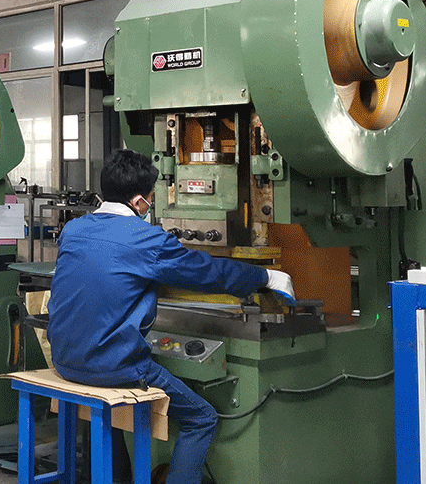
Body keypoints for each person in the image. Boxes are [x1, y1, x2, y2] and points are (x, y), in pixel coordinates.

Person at [47, 149, 295, 484]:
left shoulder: (74, 229)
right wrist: (265, 277)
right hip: (114, 367)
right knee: (202, 417)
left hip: (64, 360)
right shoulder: (145, 239)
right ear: (139, 202)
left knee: (102, 412)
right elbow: (204, 271)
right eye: (152, 198)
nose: (152, 205)